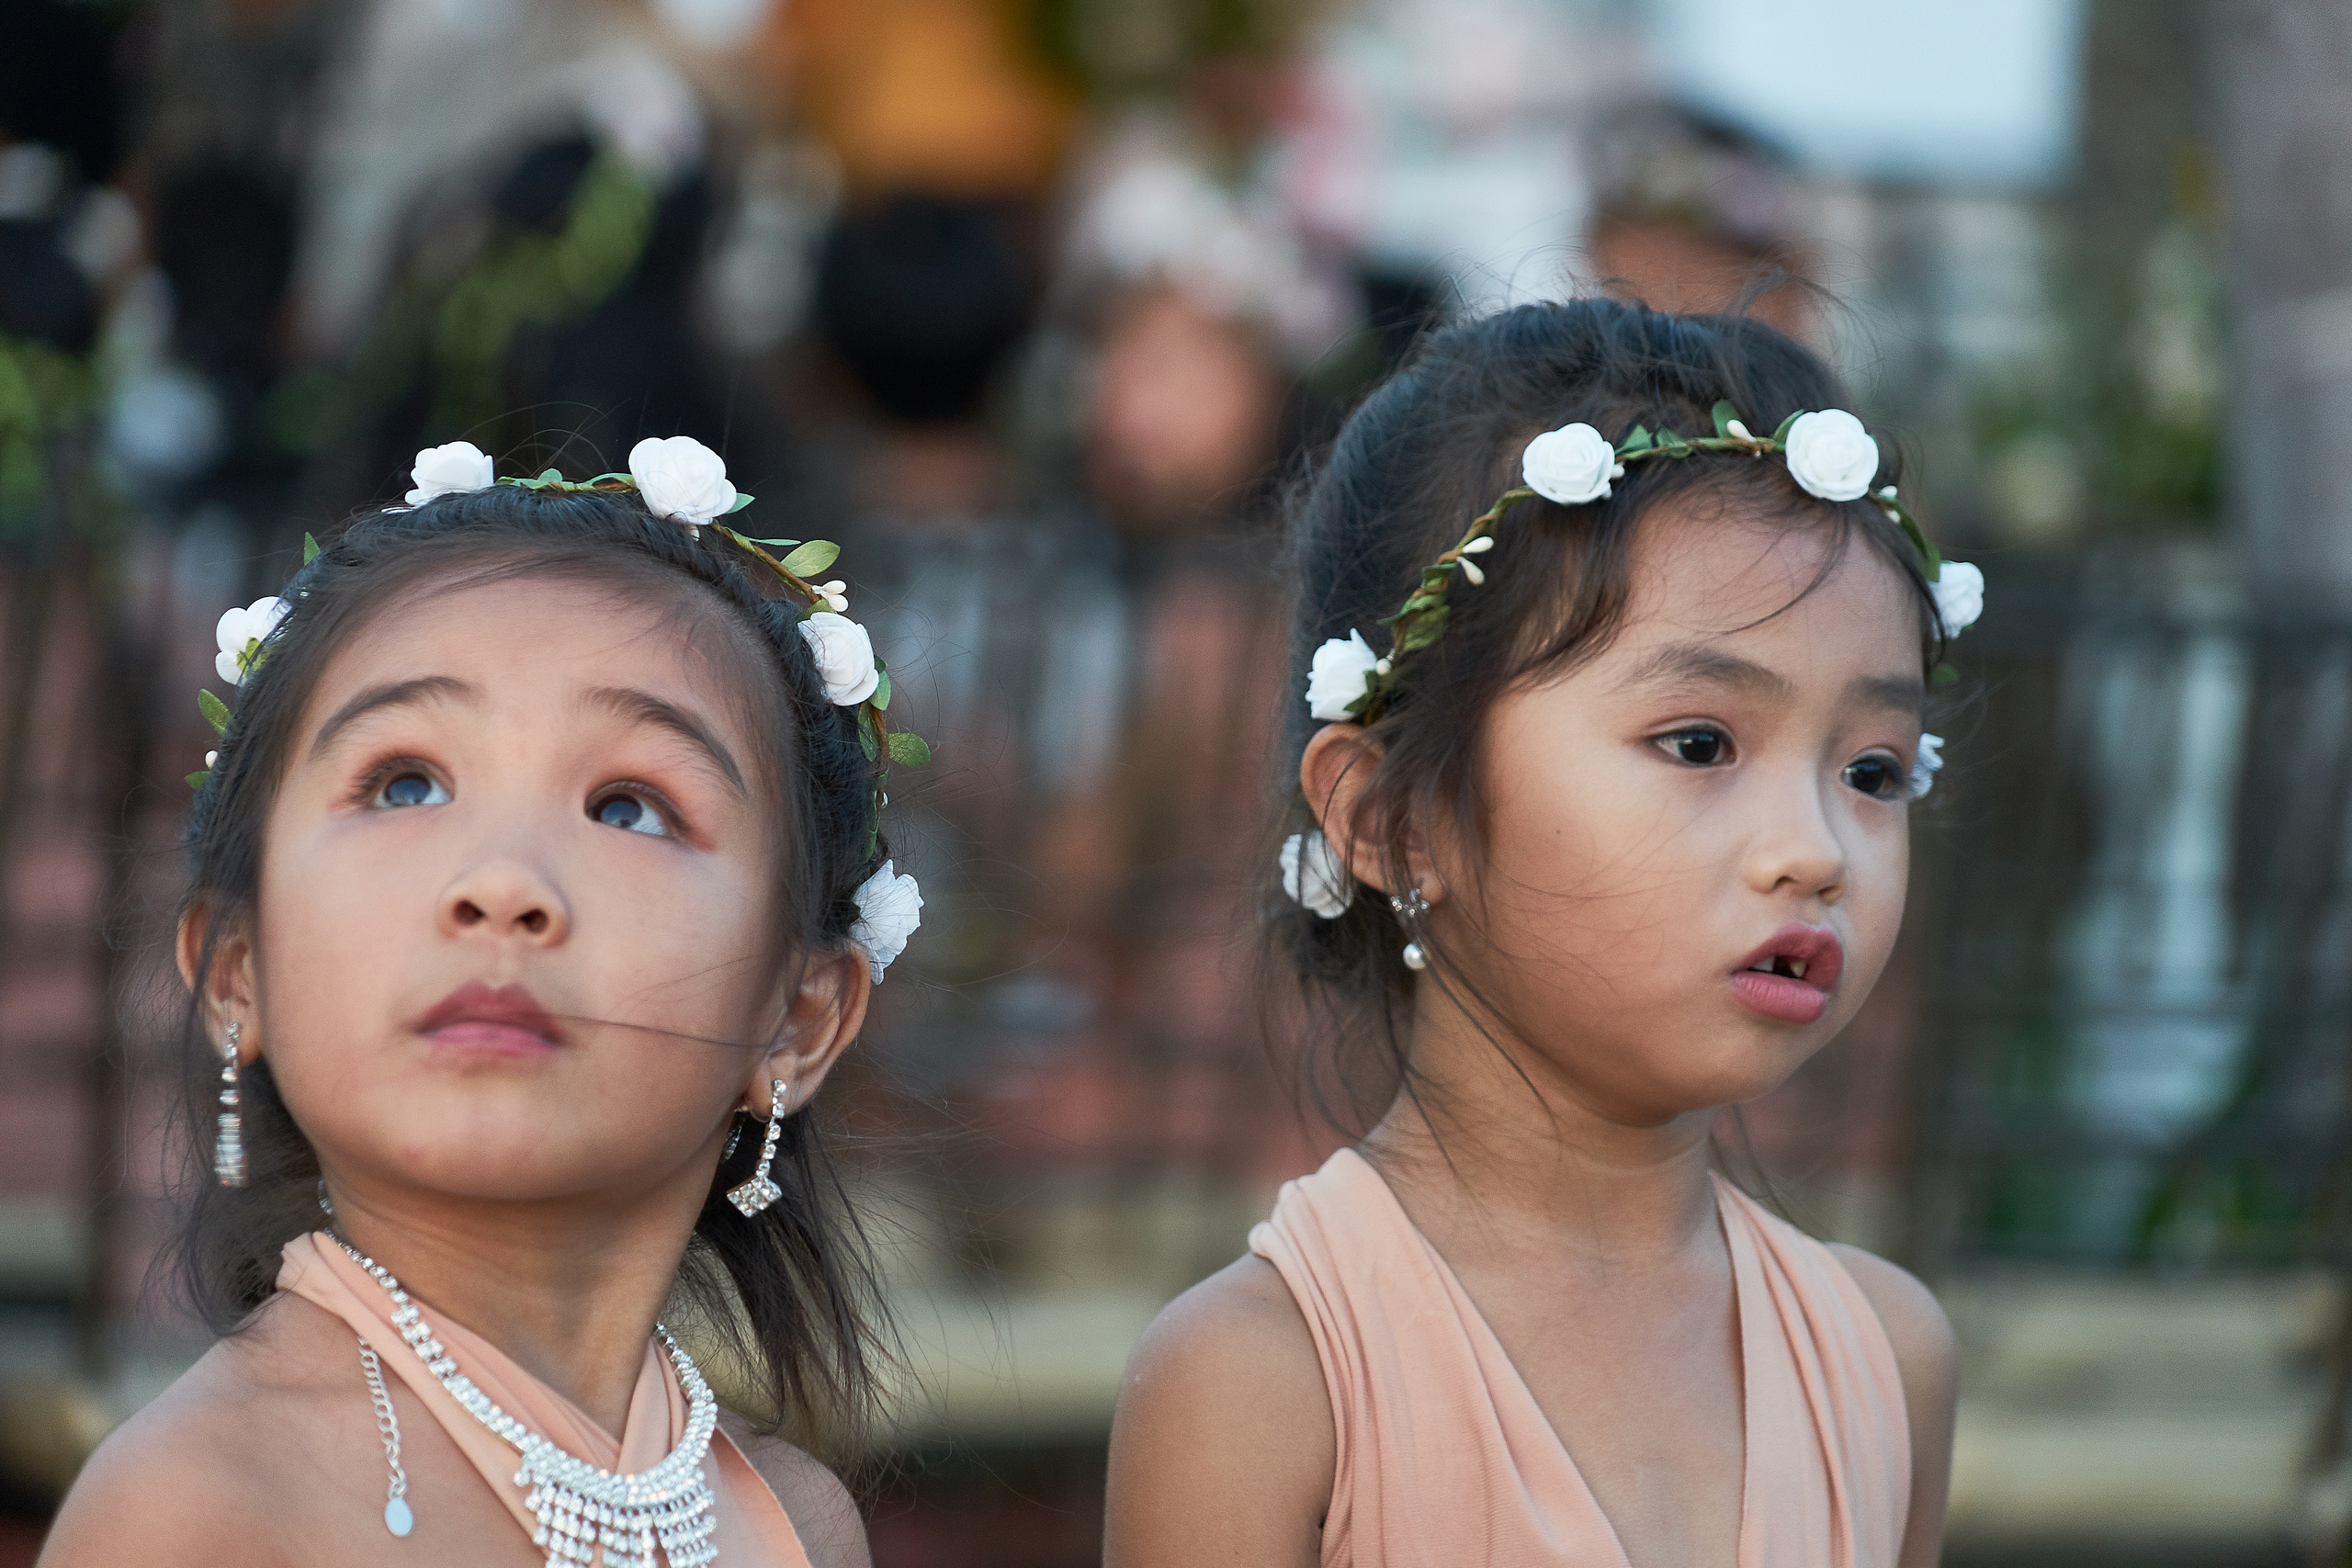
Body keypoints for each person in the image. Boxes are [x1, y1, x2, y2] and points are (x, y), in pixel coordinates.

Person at [1104, 299, 1986, 1568]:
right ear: (1392, 816)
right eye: (1700, 744)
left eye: (1874, 769)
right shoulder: (1268, 1384)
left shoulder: (1885, 1358)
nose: (1815, 847)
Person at [40, 435, 931, 1567]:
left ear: (797, 1020)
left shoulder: (797, 1525)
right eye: (402, 784)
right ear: (237, 969)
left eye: (629, 808)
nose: (502, 884)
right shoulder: (204, 1513)